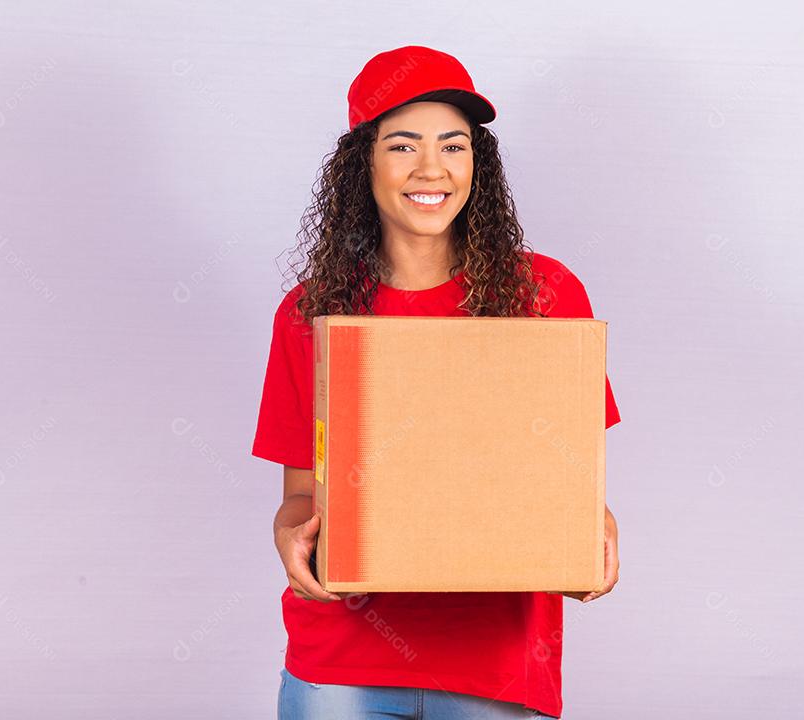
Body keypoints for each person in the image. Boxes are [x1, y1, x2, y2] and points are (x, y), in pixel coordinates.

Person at [252, 45, 622, 720]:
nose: (432, 169)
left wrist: (593, 533)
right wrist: (289, 535)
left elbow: (571, 480)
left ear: (477, 162)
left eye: (453, 145)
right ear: (362, 163)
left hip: (497, 665)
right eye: (402, 146)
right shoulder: (311, 313)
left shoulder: (545, 295)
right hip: (341, 664)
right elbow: (302, 491)